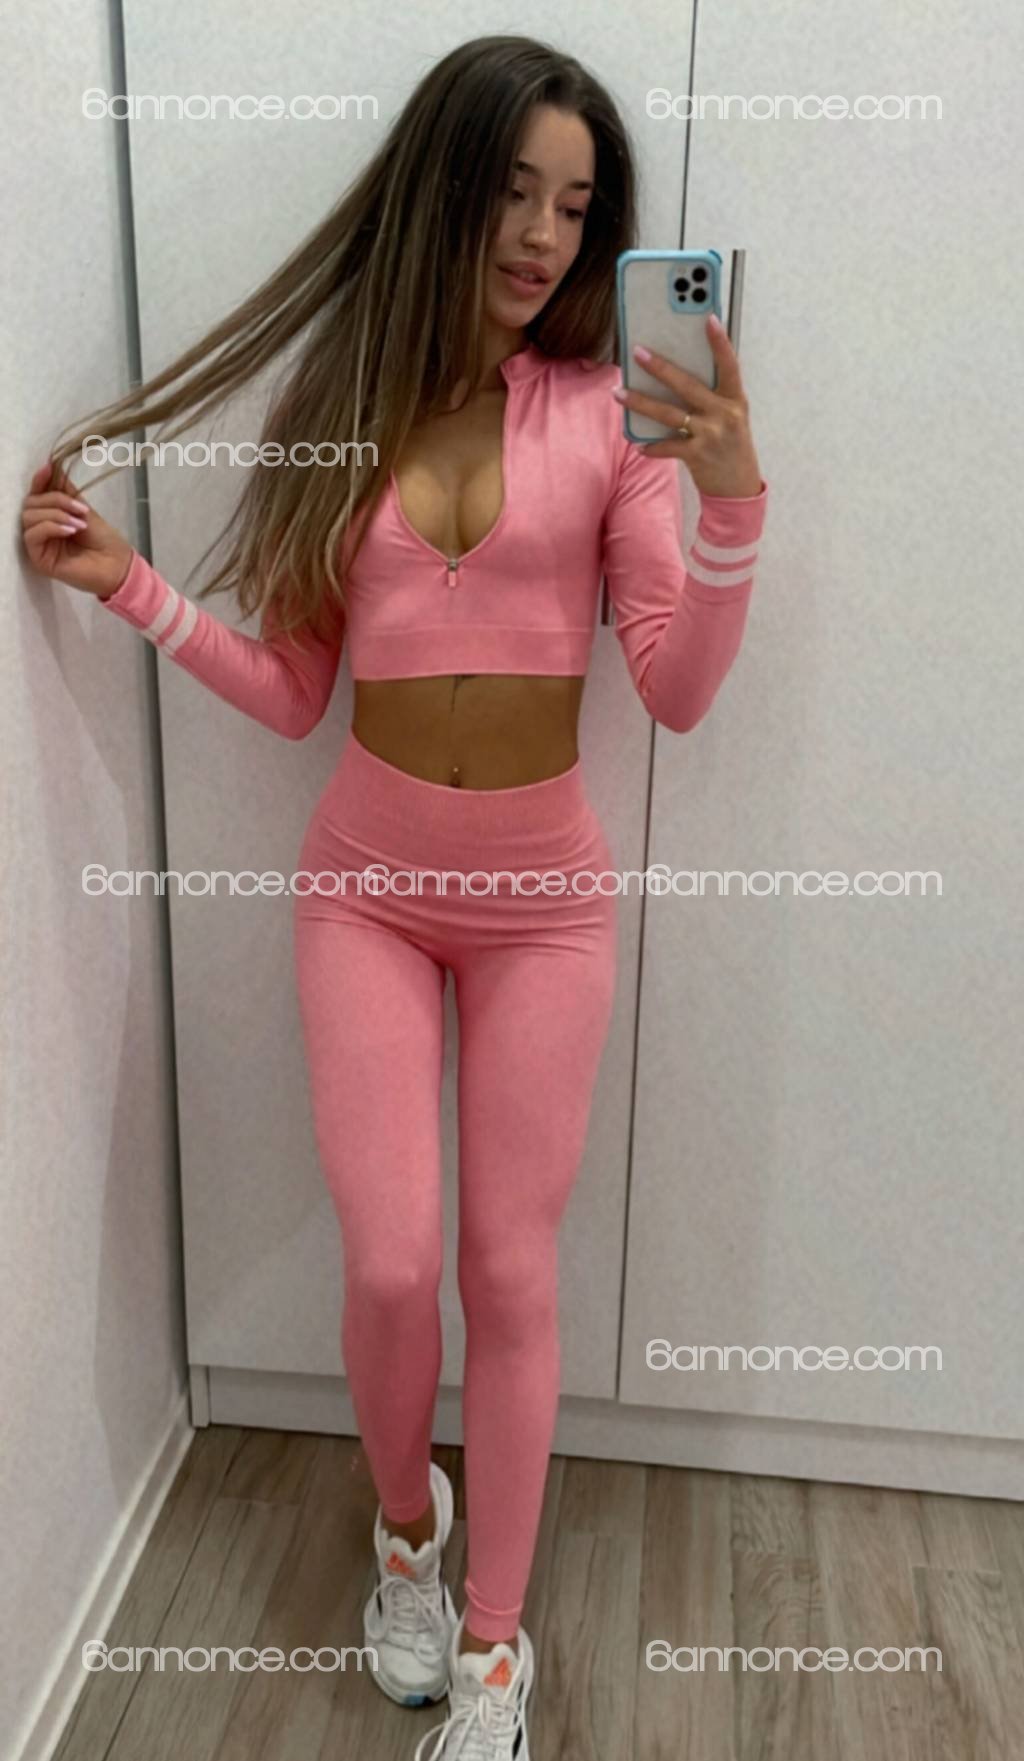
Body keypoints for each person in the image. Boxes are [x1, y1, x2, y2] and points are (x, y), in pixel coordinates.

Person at [21, 34, 767, 1760]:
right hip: (364, 885)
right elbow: (297, 692)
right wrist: (128, 582)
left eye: (575, 206)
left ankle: (496, 1644)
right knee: (390, 1262)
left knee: (508, 1269)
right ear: (444, 187)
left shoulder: (613, 416)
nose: (543, 236)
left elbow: (674, 686)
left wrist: (730, 501)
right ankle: (408, 1535)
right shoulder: (338, 415)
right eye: (512, 190)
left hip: (543, 905)